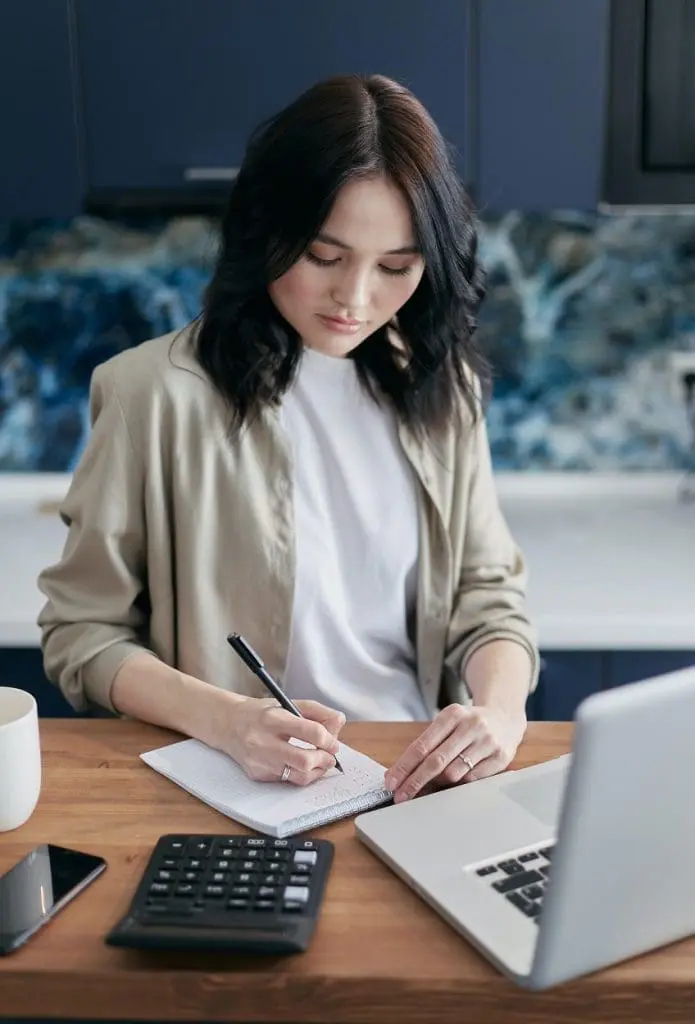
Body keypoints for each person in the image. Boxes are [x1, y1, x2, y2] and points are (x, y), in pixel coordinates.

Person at [38, 74, 539, 804]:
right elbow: (82, 635)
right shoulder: (151, 393)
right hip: (234, 786)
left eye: (396, 267)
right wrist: (231, 721)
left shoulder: (443, 389)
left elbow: (487, 597)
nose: (356, 298)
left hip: (411, 779)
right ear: (266, 232)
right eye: (323, 257)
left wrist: (499, 711)